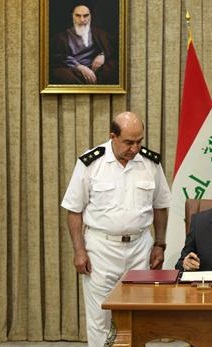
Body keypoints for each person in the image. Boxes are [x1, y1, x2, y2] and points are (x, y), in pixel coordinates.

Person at [61, 112, 171, 347]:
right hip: (101, 248)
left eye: (139, 141)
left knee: (138, 313)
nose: (135, 148)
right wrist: (79, 251)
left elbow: (161, 206)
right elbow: (74, 210)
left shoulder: (150, 163)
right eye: (129, 142)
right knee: (100, 317)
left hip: (140, 247)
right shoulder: (91, 162)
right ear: (113, 136)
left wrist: (160, 244)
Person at [51, 2, 118, 84]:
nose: (82, 20)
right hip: (73, 70)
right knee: (61, 75)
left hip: (95, 69)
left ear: (90, 16)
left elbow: (112, 47)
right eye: (78, 15)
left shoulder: (98, 33)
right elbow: (59, 57)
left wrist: (102, 55)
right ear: (72, 16)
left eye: (86, 15)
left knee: (111, 69)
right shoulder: (62, 37)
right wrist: (80, 67)